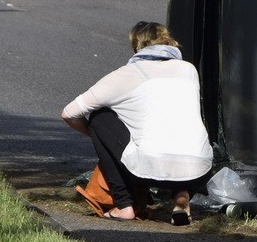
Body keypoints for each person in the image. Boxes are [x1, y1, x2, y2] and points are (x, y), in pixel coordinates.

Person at [61, 22, 213, 224]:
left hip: (148, 171)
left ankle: (124, 206)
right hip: (199, 170)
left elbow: (69, 113)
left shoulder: (127, 74)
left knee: (99, 117)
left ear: (136, 47)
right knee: (177, 123)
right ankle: (181, 198)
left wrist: (104, 140)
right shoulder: (188, 70)